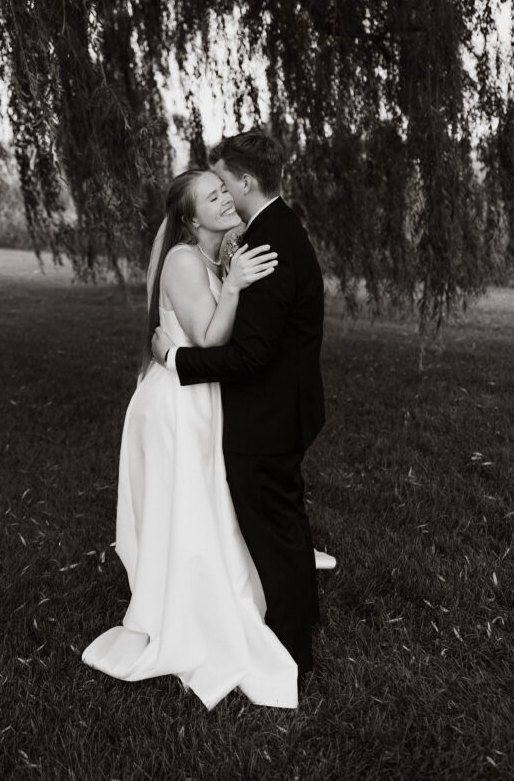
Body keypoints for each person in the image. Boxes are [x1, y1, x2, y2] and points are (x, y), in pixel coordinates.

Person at [82, 167, 300, 709]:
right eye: (213, 196)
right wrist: (233, 286)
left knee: (203, 500)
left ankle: (210, 590)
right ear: (189, 217)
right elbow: (207, 337)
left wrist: (230, 277)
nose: (226, 198)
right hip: (177, 405)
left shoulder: (211, 256)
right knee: (186, 503)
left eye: (225, 189)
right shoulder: (183, 259)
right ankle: (185, 609)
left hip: (198, 396)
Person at [152, 129, 326, 679]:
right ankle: (289, 621)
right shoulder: (275, 227)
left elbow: (250, 356)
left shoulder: (265, 244)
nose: (223, 193)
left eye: (224, 181)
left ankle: (292, 650)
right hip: (280, 407)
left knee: (276, 532)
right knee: (280, 525)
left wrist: (178, 362)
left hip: (267, 417)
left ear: (245, 180)